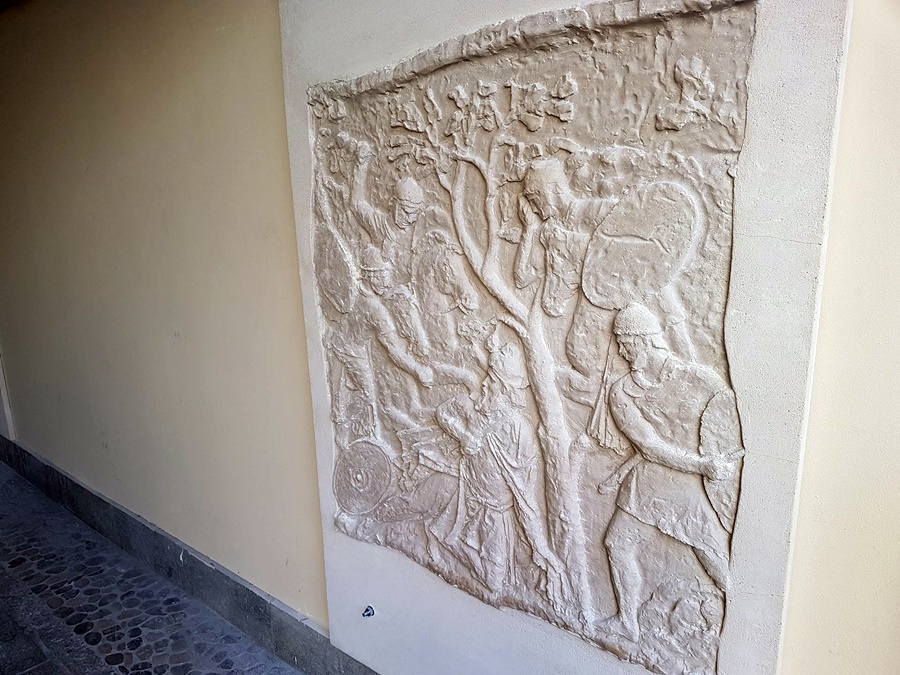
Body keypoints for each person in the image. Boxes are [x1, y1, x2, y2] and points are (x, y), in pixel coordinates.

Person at [599, 302, 743, 642]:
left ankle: (739, 616)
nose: (620, 351)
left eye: (625, 343)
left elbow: (728, 418)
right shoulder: (621, 391)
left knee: (712, 552)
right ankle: (628, 623)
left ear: (644, 340)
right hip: (650, 481)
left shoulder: (699, 379)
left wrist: (714, 462)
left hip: (688, 488)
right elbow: (648, 445)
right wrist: (702, 465)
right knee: (617, 542)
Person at [435, 329, 570, 611]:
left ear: (505, 388)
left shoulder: (518, 432)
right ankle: (447, 549)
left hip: (495, 514)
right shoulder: (476, 408)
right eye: (487, 378)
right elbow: (443, 412)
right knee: (443, 537)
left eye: (492, 381)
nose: (485, 384)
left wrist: (540, 547)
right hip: (466, 496)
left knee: (495, 582)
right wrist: (463, 435)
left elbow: (526, 497)